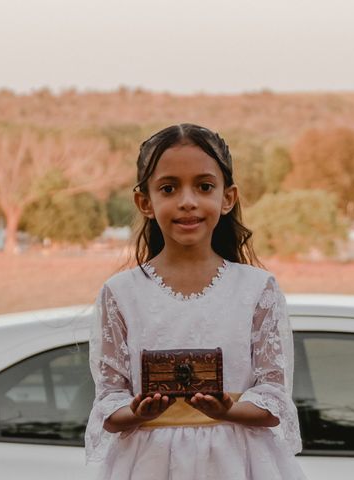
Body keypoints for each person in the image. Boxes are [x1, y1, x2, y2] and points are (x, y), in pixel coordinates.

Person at [85, 124, 306, 479]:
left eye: (204, 187)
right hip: (147, 464)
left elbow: (274, 397)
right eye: (169, 188)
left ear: (228, 197)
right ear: (145, 201)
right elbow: (109, 401)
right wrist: (138, 412)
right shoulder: (121, 293)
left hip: (239, 463)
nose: (187, 201)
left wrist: (228, 411)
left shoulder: (256, 288)